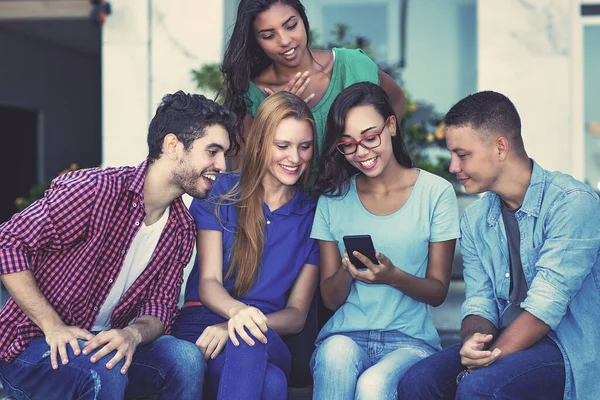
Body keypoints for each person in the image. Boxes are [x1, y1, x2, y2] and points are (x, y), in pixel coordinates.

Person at [0, 91, 237, 400]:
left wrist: (132, 333)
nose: (221, 164)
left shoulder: (181, 228)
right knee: (105, 367)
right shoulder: (95, 190)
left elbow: (161, 307)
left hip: (106, 344)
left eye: (224, 154)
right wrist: (53, 326)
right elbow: (9, 242)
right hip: (34, 345)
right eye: (213, 151)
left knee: (186, 359)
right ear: (173, 146)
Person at [397, 91, 600, 400]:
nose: (452, 166)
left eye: (462, 154)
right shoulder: (477, 218)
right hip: (506, 337)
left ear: (500, 147)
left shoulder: (572, 203)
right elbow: (479, 301)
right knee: (417, 382)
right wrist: (471, 343)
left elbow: (545, 307)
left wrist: (482, 364)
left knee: (479, 388)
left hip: (568, 347)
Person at [309, 82, 460, 399]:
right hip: (345, 335)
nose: (361, 153)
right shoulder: (333, 200)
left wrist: (393, 276)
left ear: (391, 125)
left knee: (374, 385)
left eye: (370, 137)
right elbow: (329, 298)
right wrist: (348, 270)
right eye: (347, 144)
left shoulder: (435, 192)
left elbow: (437, 292)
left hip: (410, 341)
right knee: (335, 356)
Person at [171, 91, 320, 400]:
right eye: (283, 146)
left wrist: (237, 325)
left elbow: (296, 315)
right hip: (203, 325)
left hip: (268, 332)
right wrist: (236, 314)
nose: (295, 158)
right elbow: (209, 282)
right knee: (272, 384)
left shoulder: (314, 215)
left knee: (247, 340)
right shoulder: (220, 191)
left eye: (304, 147)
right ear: (261, 143)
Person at [222, 0, 406, 173]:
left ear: (303, 20)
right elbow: (241, 169)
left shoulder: (352, 66)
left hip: (358, 199)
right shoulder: (253, 92)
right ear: (256, 41)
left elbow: (396, 99)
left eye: (291, 26)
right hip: (294, 205)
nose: (285, 40)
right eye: (268, 35)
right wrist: (278, 112)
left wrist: (376, 156)